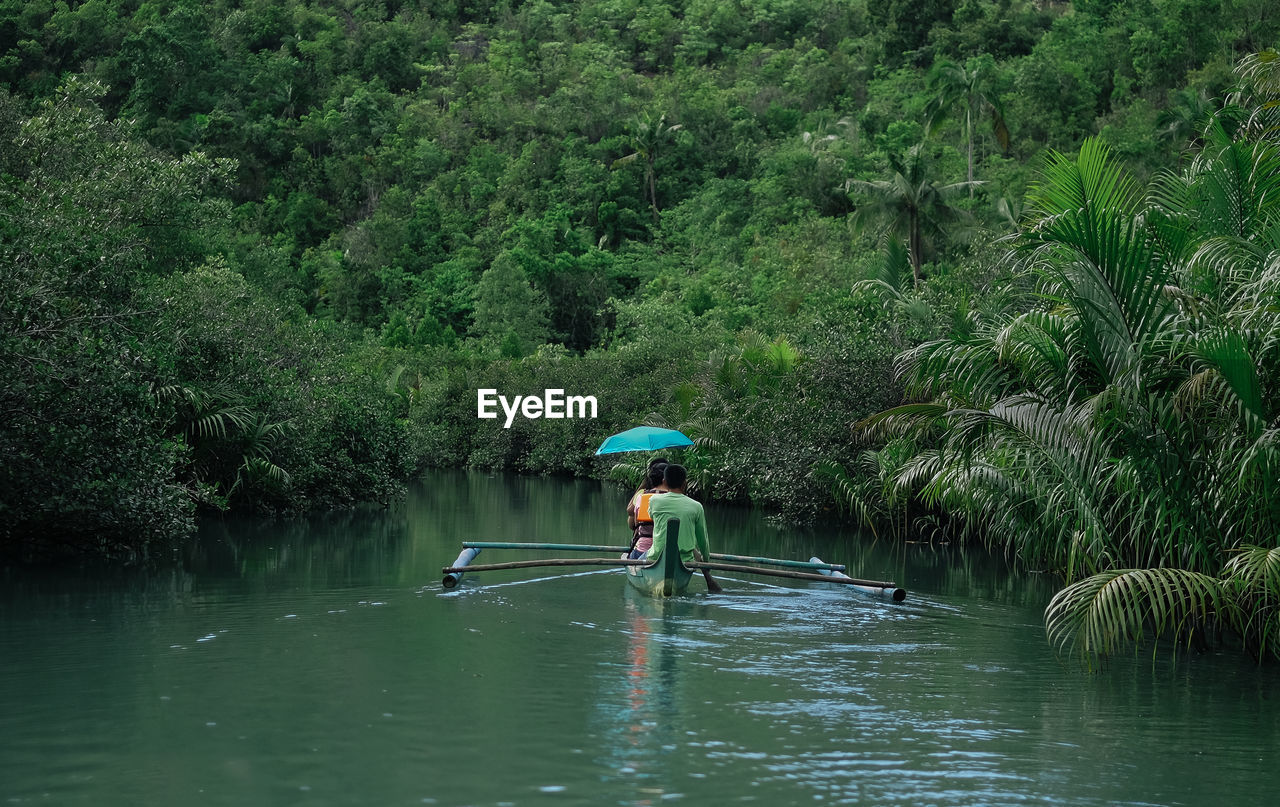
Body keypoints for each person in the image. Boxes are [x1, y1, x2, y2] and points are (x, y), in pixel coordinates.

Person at [645, 464, 710, 566]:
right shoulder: (697, 506)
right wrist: (706, 561)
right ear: (685, 483)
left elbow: (652, 517)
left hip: (656, 558)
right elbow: (703, 540)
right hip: (685, 561)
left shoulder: (654, 500)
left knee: (638, 556)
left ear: (664, 482)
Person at [626, 462, 668, 558]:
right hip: (667, 550)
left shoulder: (642, 497)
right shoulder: (676, 498)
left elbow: (636, 523)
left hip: (643, 549)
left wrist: (642, 486)